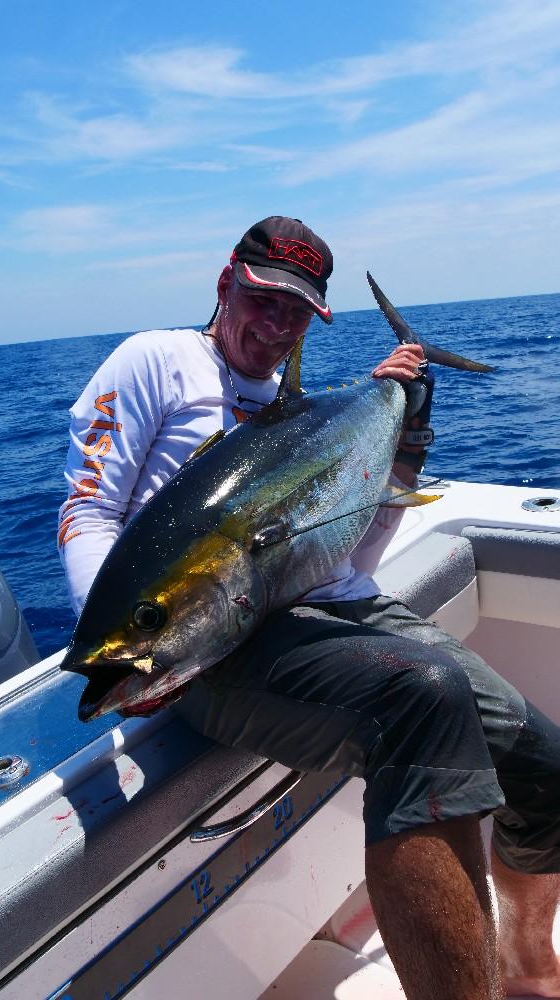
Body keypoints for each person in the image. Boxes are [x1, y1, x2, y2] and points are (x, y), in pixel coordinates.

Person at [59, 216, 560, 1000]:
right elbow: (88, 512)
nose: (274, 325)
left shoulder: (315, 413)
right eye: (262, 300)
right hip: (215, 644)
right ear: (225, 283)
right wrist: (145, 638)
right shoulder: (156, 361)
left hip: (335, 616)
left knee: (547, 769)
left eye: (295, 313)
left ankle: (528, 968)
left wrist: (404, 434)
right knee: (422, 697)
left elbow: (352, 558)